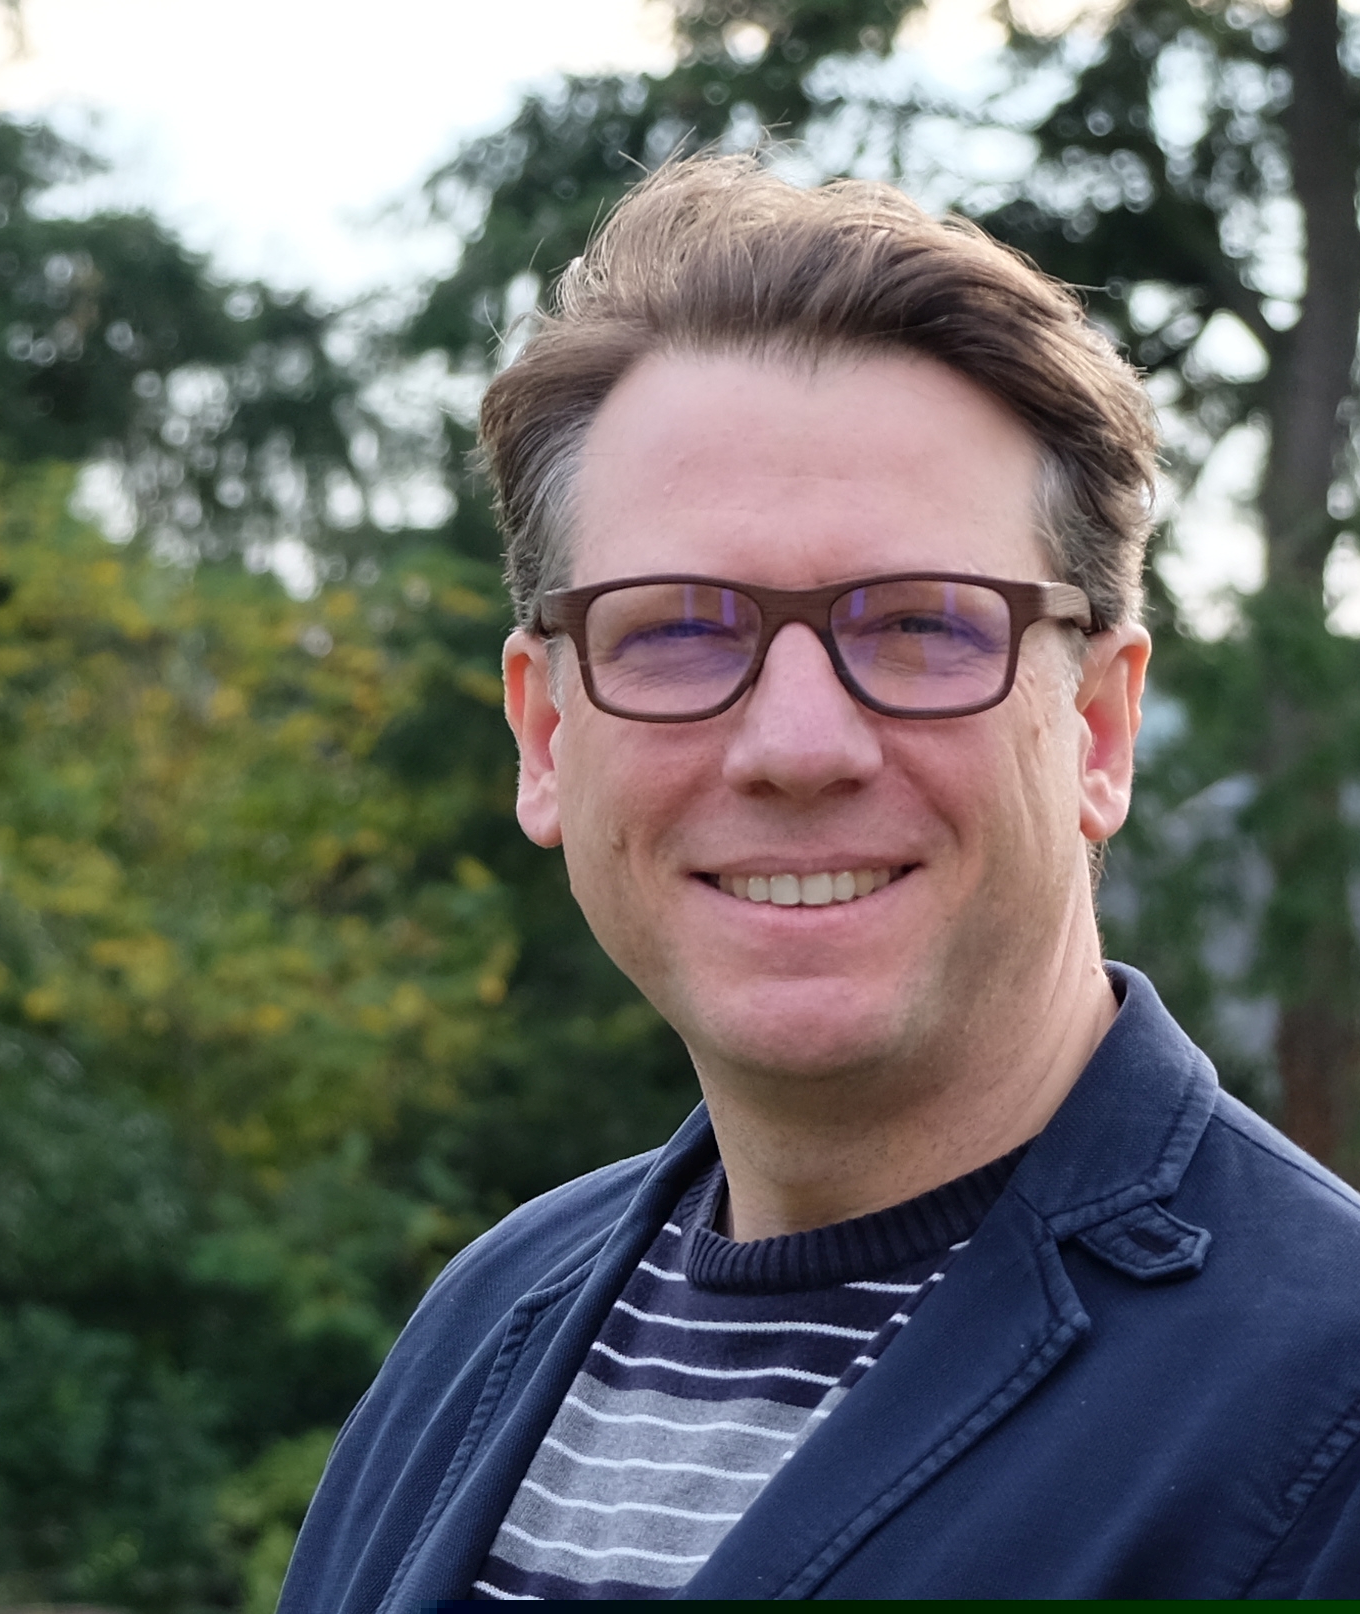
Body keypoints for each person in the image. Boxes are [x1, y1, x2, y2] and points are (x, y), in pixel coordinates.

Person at [278, 158, 1360, 1606]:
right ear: (545, 736)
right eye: (676, 631)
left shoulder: (1325, 1420)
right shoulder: (484, 1323)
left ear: (1098, 729)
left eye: (921, 626)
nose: (796, 746)